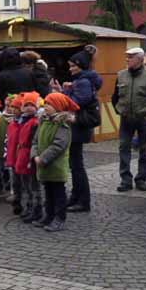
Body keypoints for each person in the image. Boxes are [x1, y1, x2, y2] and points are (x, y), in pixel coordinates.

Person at [112, 47, 146, 193]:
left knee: (145, 149)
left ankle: (141, 179)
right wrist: (118, 110)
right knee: (124, 148)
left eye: (131, 57)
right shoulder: (121, 75)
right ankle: (125, 180)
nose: (127, 60)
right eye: (127, 57)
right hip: (126, 118)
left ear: (139, 59)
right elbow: (115, 96)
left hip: (144, 118)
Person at [62, 47, 103, 213]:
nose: (70, 69)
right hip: (78, 127)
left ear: (82, 66)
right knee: (75, 164)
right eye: (70, 66)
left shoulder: (83, 82)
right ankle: (75, 197)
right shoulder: (83, 80)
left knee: (77, 165)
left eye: (73, 66)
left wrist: (64, 91)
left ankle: (83, 201)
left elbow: (75, 103)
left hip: (78, 126)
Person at [33, 92, 79, 232]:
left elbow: (59, 145)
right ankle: (49, 215)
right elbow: (35, 141)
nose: (46, 106)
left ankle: (59, 218)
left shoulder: (62, 124)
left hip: (55, 165)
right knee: (48, 192)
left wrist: (43, 158)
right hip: (43, 165)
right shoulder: (43, 121)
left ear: (58, 107)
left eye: (50, 104)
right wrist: (35, 155)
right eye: (45, 103)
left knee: (58, 193)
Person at [10, 93, 43, 223]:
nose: (29, 108)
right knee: (26, 184)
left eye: (31, 105)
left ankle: (36, 209)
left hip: (30, 155)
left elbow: (35, 141)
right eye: (26, 105)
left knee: (33, 184)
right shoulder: (22, 121)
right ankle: (29, 207)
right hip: (22, 154)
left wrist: (32, 156)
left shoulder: (35, 122)